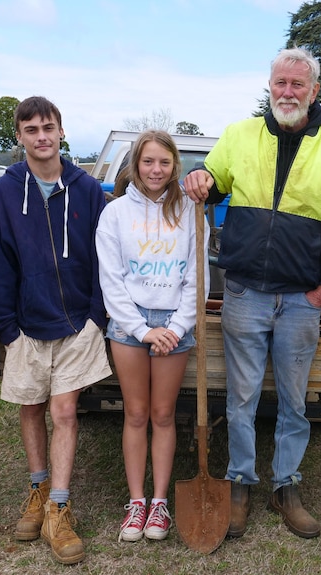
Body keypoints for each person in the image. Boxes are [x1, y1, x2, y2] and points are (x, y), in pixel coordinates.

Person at [183, 47, 321, 539]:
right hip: (244, 294)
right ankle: (239, 482)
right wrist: (199, 177)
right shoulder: (239, 135)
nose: (287, 92)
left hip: (300, 301)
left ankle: (286, 485)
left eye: (297, 85)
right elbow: (212, 183)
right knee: (240, 399)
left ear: (314, 91)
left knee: (293, 400)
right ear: (270, 86)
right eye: (280, 83)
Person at [0, 96, 112, 565]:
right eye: (32, 129)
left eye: (49, 127)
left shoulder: (85, 190)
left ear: (61, 132)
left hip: (78, 324)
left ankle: (59, 507)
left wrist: (97, 319)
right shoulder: (6, 191)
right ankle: (37, 490)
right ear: (19, 136)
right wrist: (6, 326)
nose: (42, 137)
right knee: (31, 407)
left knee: (64, 412)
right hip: (25, 324)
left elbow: (104, 258)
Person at [96, 130, 209, 543]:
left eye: (164, 162)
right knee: (136, 414)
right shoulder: (115, 215)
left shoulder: (192, 212)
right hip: (129, 326)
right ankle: (137, 501)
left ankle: (160, 502)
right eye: (148, 162)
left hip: (174, 322)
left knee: (163, 415)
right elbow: (111, 281)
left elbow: (199, 277)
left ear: (174, 165)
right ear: (135, 166)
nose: (156, 170)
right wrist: (143, 330)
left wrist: (176, 328)